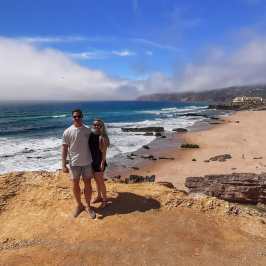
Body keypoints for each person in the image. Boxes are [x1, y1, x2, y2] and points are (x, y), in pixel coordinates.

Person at [62, 109, 96, 219]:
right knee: (75, 185)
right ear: (72, 117)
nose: (77, 118)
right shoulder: (67, 131)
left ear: (82, 116)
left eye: (79, 116)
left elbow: (95, 145)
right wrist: (63, 164)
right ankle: (79, 205)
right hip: (74, 163)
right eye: (75, 116)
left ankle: (88, 206)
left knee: (88, 185)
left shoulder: (88, 130)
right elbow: (64, 148)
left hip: (87, 162)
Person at [89, 119, 110, 208]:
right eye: (95, 125)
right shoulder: (91, 135)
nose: (97, 126)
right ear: (93, 125)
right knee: (96, 181)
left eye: (99, 125)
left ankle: (105, 200)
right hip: (91, 161)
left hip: (99, 161)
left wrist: (102, 162)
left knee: (101, 182)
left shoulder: (103, 137)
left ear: (102, 127)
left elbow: (104, 152)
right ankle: (99, 196)